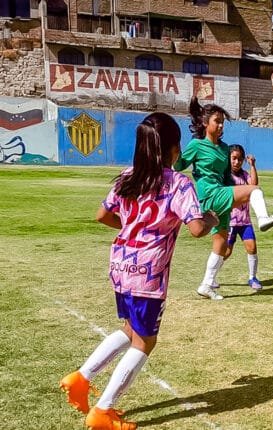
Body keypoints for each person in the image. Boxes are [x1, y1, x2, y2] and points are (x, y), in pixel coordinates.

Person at [59, 113, 218, 430]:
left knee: (131, 329)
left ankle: (81, 378)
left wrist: (132, 227)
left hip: (120, 264)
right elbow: (198, 229)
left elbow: (102, 215)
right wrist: (213, 218)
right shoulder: (178, 183)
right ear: (174, 150)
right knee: (145, 342)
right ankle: (103, 411)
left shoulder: (126, 176)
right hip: (148, 272)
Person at [175, 97, 273, 300]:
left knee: (221, 244)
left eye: (222, 122)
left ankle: (206, 285)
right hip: (209, 195)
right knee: (254, 190)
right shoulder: (197, 145)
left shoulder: (225, 148)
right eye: (216, 121)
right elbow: (178, 166)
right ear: (205, 123)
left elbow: (227, 177)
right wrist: (174, 152)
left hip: (221, 193)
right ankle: (263, 219)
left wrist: (236, 194)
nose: (220, 125)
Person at [213, 144, 264, 291]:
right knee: (226, 252)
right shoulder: (225, 176)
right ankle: (211, 277)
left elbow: (254, 185)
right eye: (234, 158)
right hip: (230, 222)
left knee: (252, 248)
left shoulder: (244, 175)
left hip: (245, 221)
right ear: (228, 159)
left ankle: (252, 278)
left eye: (240, 159)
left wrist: (252, 165)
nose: (237, 162)